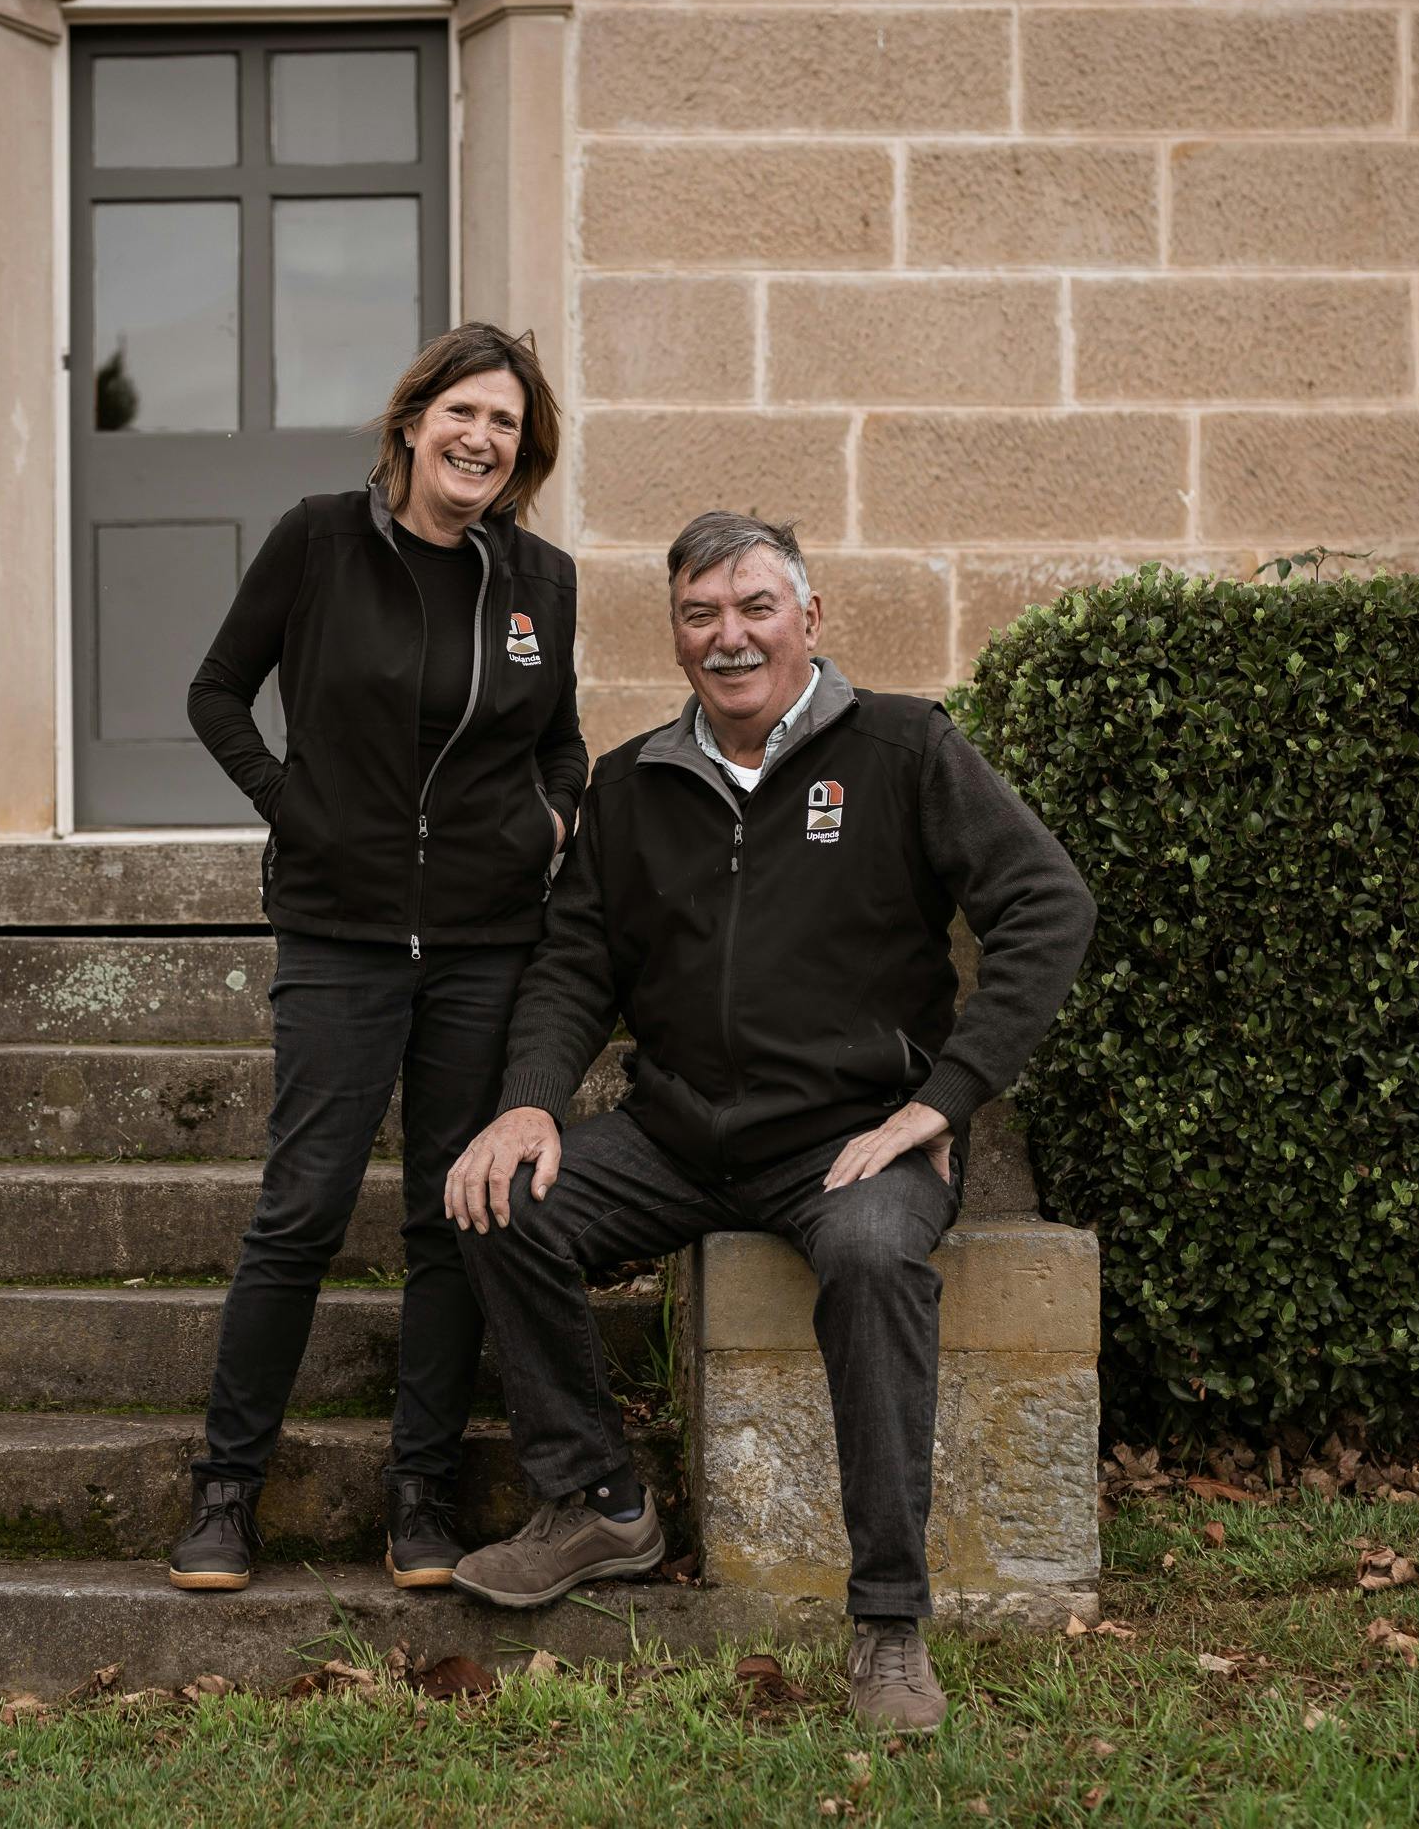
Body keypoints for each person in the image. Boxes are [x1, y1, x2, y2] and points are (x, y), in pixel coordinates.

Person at [439, 510, 1095, 1732]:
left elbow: (1046, 905)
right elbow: (575, 962)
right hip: (678, 1135)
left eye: (753, 607)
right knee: (495, 1200)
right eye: (701, 613)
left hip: (851, 1141)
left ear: (808, 618)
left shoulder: (903, 745)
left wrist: (943, 1097)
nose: (728, 636)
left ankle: (889, 1625)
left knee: (867, 1256)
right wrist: (527, 1102)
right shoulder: (634, 785)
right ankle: (599, 1503)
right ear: (677, 632)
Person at [172, 323, 583, 1594]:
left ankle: (420, 1494)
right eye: (463, 410)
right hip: (341, 932)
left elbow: (560, 742)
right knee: (298, 1213)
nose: (481, 438)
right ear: (411, 422)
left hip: (482, 942)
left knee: (449, 1219)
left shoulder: (539, 581)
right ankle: (226, 1490)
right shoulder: (317, 539)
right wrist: (293, 806)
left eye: (506, 424)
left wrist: (549, 821)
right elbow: (216, 693)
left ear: (524, 449)